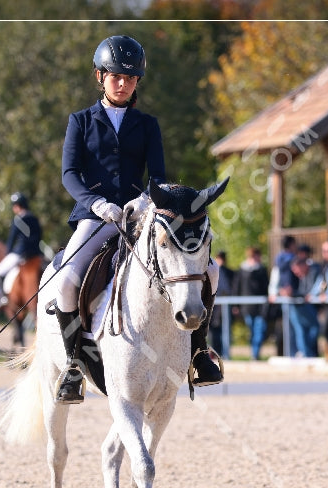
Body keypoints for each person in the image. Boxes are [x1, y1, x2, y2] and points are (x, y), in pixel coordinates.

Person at [53, 35, 221, 404]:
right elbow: (69, 173)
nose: (123, 83)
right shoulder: (80, 121)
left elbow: (158, 176)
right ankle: (73, 365)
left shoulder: (147, 124)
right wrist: (96, 204)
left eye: (130, 78)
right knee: (66, 281)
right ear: (101, 76)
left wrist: (145, 200)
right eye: (116, 76)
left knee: (209, 271)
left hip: (141, 215)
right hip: (96, 217)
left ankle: (198, 352)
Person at [0, 192, 43, 289]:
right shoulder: (34, 218)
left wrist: (8, 252)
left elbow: (12, 239)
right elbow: (39, 236)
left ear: (17, 206)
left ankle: (3, 297)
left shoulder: (17, 220)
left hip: (21, 253)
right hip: (36, 253)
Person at [234, 246, 269, 360]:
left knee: (259, 330)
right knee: (252, 331)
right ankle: (254, 354)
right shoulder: (242, 270)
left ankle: (255, 354)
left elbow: (266, 288)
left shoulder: (262, 270)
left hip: (260, 307)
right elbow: (237, 287)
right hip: (247, 306)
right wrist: (236, 305)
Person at [287, 255, 320, 357]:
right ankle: (304, 352)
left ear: (303, 266)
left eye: (296, 269)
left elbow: (310, 292)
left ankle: (305, 352)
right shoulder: (303, 275)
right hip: (298, 305)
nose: (295, 272)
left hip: (305, 306)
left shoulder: (314, 272)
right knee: (300, 329)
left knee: (312, 328)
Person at [209, 251, 234, 359]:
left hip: (224, 307)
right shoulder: (210, 271)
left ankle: (224, 353)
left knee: (225, 330)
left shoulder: (229, 272)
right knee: (213, 331)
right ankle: (215, 352)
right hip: (213, 306)